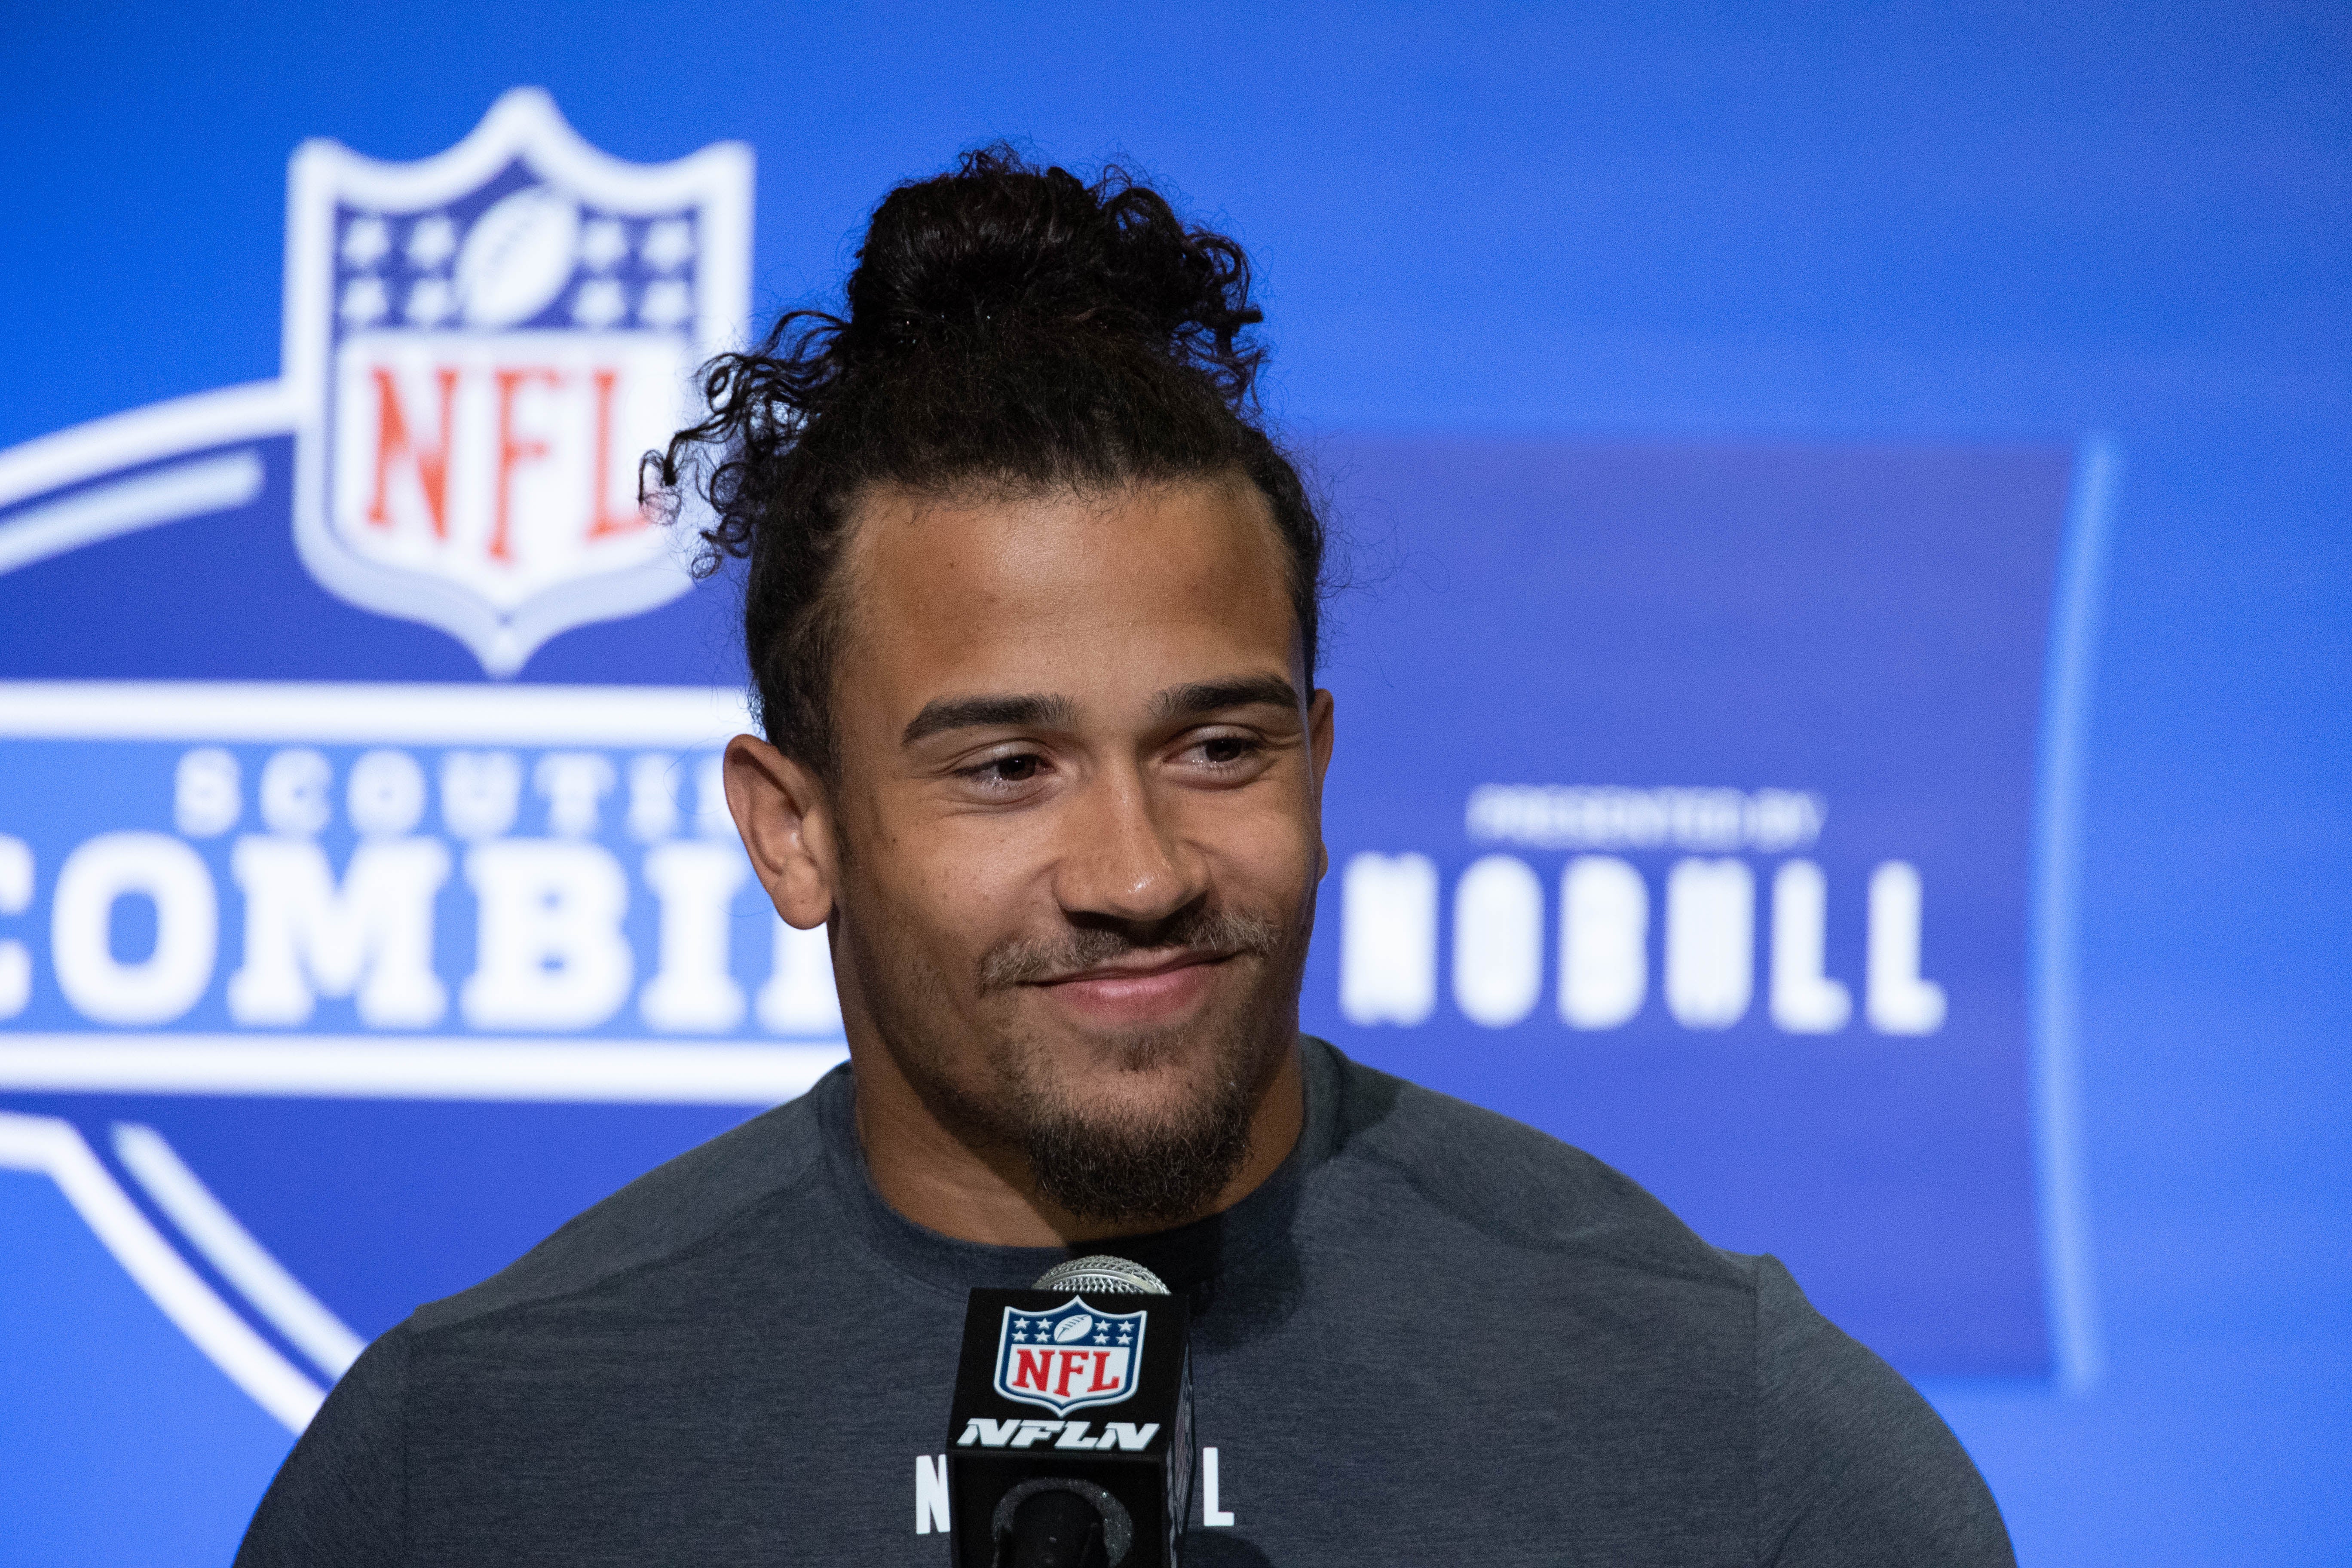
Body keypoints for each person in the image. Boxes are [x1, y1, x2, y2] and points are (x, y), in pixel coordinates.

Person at [236, 147, 2013, 1566]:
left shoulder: (1732, 1439)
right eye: (1009, 769)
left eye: (1217, 749)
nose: (1139, 873)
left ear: (1320, 764)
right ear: (795, 829)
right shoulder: (470, 1459)